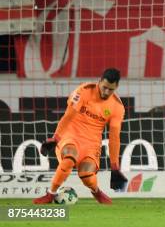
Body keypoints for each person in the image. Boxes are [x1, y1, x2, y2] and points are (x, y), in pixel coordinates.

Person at [34, 68, 127, 204]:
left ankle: (97, 192)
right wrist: (56, 138)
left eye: (110, 90)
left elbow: (114, 138)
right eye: (104, 87)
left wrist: (115, 167)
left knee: (87, 176)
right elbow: (68, 116)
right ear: (99, 81)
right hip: (70, 137)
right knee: (69, 158)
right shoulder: (83, 91)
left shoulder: (117, 107)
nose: (106, 92)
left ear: (116, 87)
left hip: (91, 144)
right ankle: (50, 194)